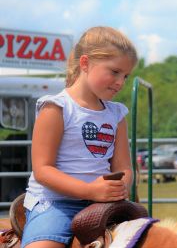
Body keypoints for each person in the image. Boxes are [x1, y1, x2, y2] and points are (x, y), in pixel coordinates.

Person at [21, 26, 138, 248]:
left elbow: (124, 167)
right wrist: (89, 190)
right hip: (56, 204)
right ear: (85, 63)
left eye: (125, 76)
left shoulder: (116, 114)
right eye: (114, 72)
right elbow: (43, 170)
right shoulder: (56, 108)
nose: (120, 82)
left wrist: (121, 185)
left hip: (104, 204)